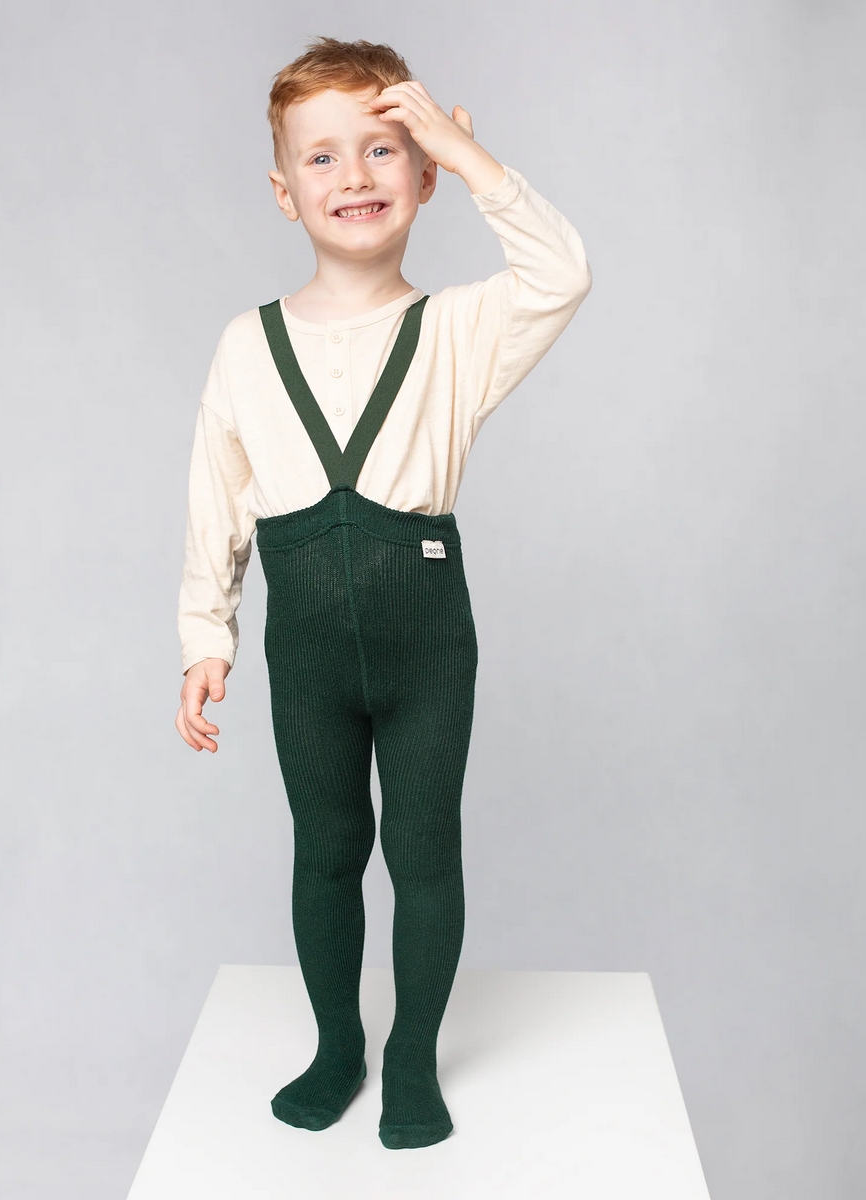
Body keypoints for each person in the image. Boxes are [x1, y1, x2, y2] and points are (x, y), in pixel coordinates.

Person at [175, 36, 591, 1150]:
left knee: (423, 850)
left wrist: (470, 153)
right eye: (321, 156)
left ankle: (412, 1057)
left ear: (424, 174)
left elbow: (562, 273)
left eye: (384, 148)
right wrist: (204, 634)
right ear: (283, 190)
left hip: (427, 645)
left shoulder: (458, 331)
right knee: (324, 847)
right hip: (304, 650)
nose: (354, 175)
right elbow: (217, 498)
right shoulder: (246, 346)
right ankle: (337, 1046)